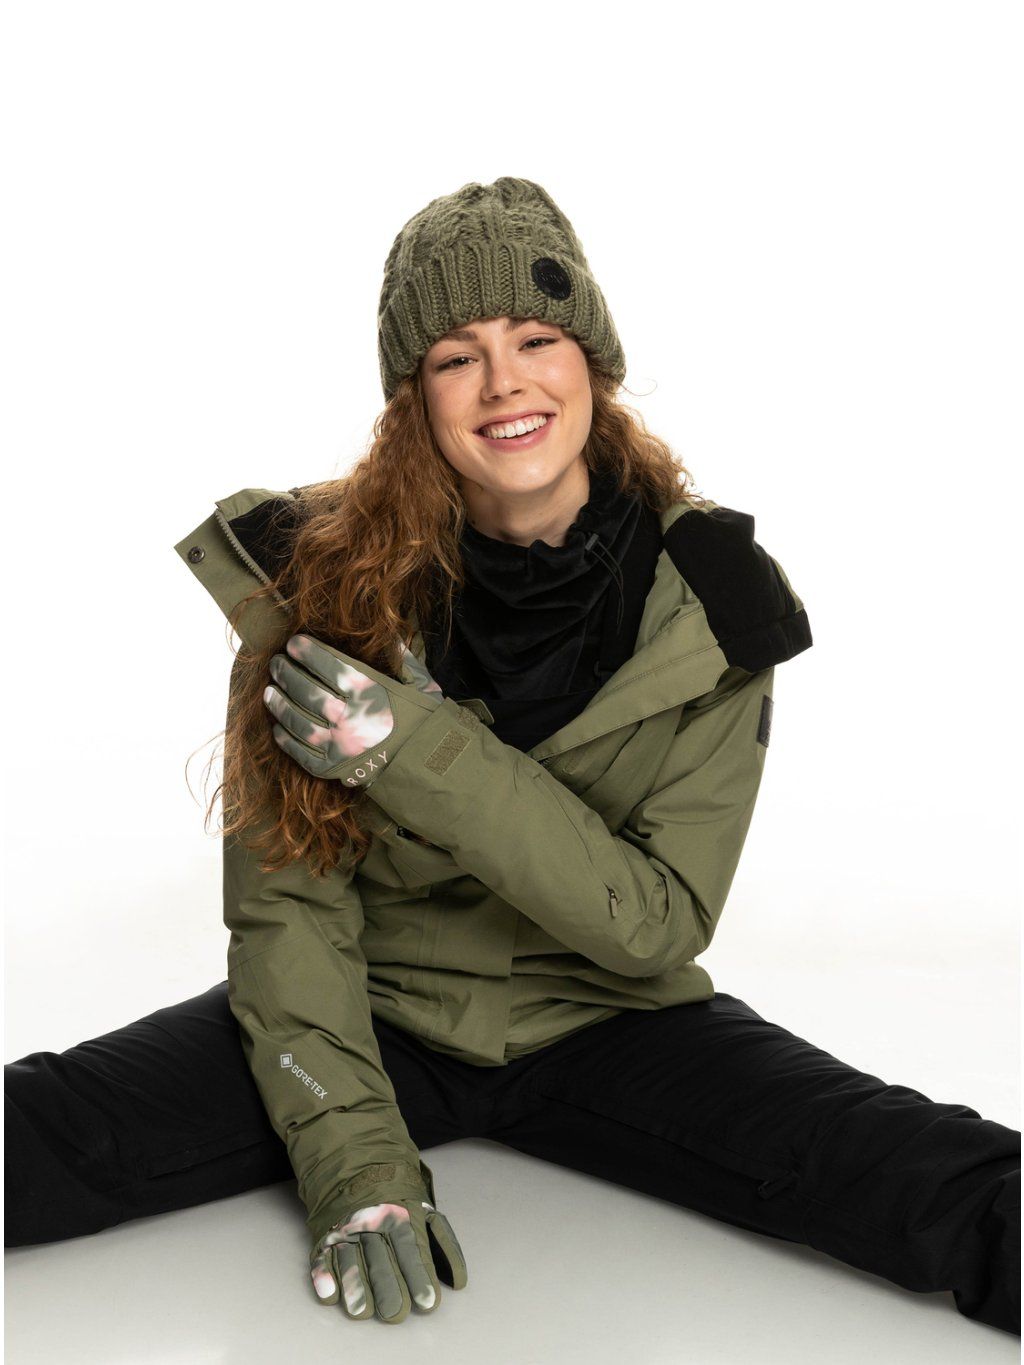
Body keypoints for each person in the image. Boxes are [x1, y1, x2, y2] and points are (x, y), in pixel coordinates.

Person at [5, 176, 1019, 1334]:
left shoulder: (712, 600)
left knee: (930, 1177)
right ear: (413, 396)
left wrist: (407, 749)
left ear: (591, 360)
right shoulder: (311, 581)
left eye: (536, 338)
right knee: (38, 1138)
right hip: (365, 1009)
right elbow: (289, 915)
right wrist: (359, 1169)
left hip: (610, 1016)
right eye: (456, 356)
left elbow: (656, 923)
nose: (504, 383)